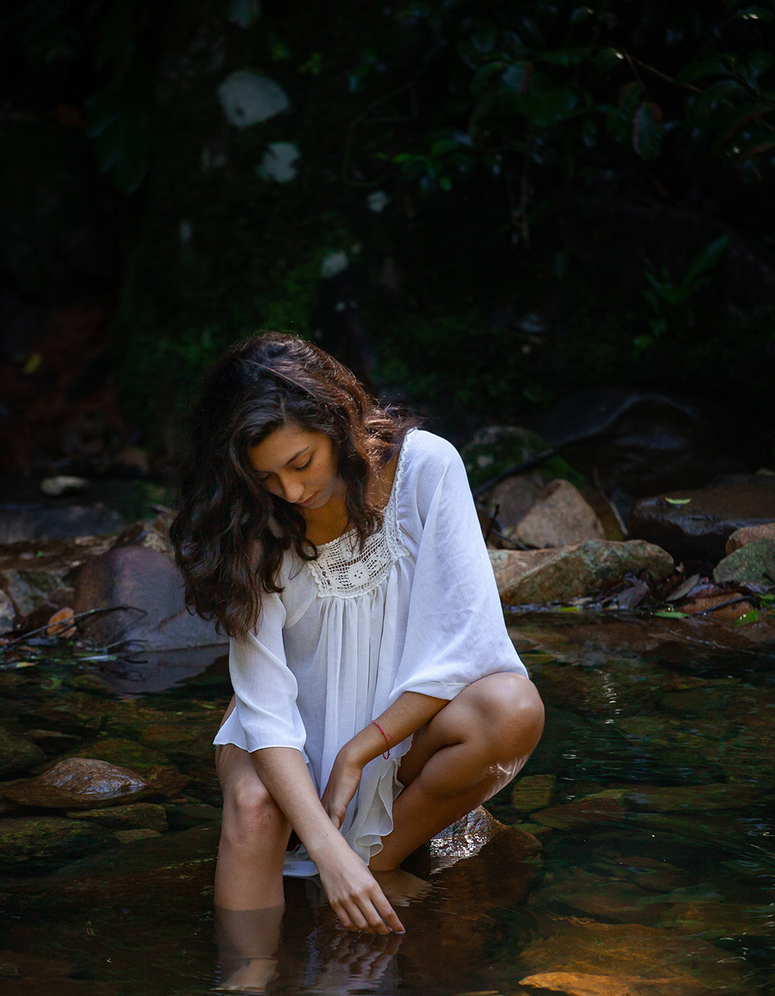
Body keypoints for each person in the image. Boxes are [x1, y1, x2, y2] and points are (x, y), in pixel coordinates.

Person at [171, 332, 544, 955]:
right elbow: (265, 709)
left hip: (396, 735)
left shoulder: (425, 467)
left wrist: (357, 752)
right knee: (256, 802)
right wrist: (321, 841)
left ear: (338, 424)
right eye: (267, 475)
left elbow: (467, 641)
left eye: (301, 463)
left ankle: (369, 867)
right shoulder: (251, 521)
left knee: (513, 707)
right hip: (285, 735)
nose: (290, 491)